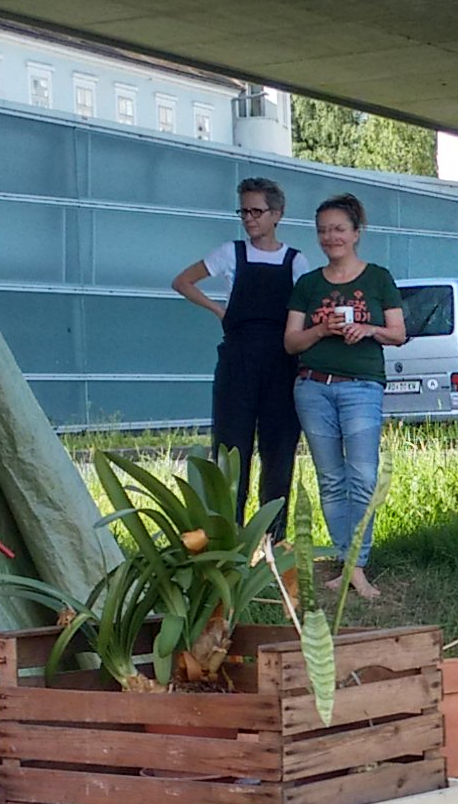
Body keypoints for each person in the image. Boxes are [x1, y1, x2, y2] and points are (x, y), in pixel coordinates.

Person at [284, 193, 407, 598]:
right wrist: (322, 329)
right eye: (322, 230)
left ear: (356, 233)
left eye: (338, 229)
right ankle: (345, 560)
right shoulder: (308, 283)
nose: (330, 237)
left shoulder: (378, 278)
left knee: (364, 477)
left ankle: (358, 562)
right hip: (313, 386)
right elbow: (291, 343)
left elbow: (398, 333)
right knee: (331, 479)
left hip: (361, 386)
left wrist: (367, 329)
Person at [168, 178, 300, 519]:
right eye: (243, 211)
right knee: (231, 449)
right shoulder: (231, 253)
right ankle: (229, 535)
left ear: (277, 214)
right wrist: (219, 310)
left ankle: (274, 540)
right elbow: (183, 281)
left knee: (279, 450)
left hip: (281, 365)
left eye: (256, 211)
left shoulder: (297, 262)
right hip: (238, 361)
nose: (249, 218)